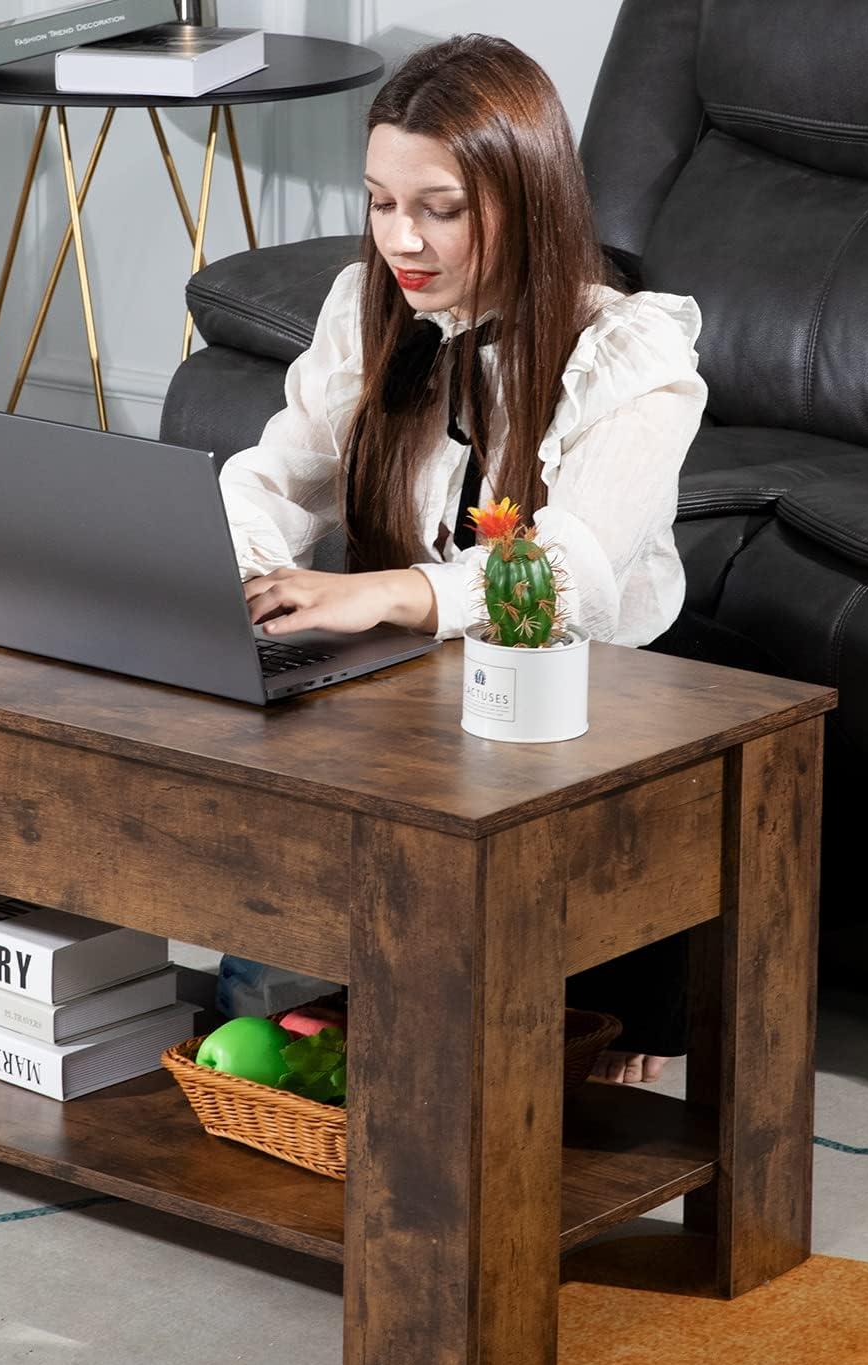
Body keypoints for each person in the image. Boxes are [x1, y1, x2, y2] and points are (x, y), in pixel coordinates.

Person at [216, 35, 708, 1084]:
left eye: (440, 207)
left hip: (587, 701)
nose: (405, 238)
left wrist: (375, 594)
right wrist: (256, 578)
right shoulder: (370, 307)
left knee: (533, 1067)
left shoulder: (634, 355)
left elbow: (563, 578)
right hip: (420, 681)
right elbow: (266, 478)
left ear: (526, 196)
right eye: (382, 202)